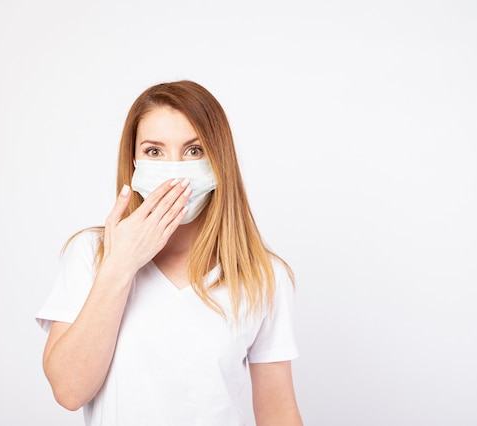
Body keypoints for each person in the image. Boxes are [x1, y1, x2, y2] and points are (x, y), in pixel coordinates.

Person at [35, 80, 303, 425]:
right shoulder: (91, 254)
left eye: (194, 151)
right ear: (134, 161)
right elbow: (69, 391)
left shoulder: (261, 274)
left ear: (218, 160)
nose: (175, 170)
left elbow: (278, 412)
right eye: (154, 151)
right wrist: (120, 266)